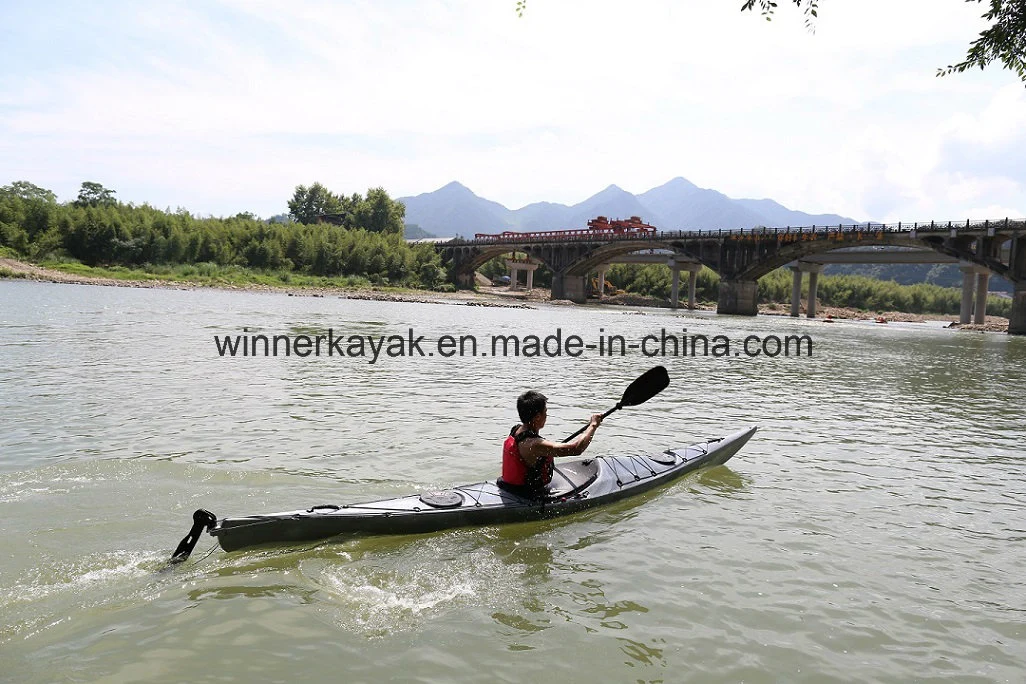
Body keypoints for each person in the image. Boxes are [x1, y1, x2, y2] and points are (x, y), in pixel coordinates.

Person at [498, 390, 603, 497]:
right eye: (545, 412)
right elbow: (576, 449)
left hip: (508, 486)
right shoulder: (534, 444)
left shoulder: (516, 430)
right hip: (526, 494)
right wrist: (593, 425)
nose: (546, 415)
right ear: (538, 417)